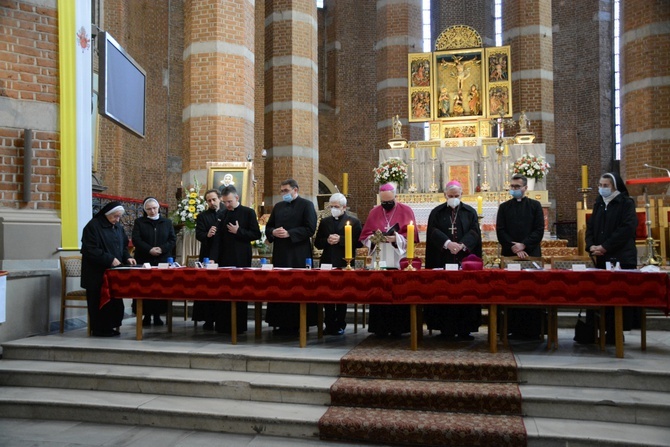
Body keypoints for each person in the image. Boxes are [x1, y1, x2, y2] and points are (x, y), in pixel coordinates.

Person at [423, 181, 482, 340]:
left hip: (464, 259)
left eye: (457, 196)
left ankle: (465, 329)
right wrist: (448, 244)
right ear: (445, 195)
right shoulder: (437, 212)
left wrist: (462, 245)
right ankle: (444, 328)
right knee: (444, 292)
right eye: (451, 196)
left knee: (464, 292)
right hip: (442, 258)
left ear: (462, 195)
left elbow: (475, 232)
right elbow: (433, 231)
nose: (454, 199)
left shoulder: (469, 212)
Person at [585, 172, 639, 343]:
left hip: (621, 257)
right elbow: (591, 227)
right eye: (600, 185)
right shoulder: (599, 203)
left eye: (605, 185)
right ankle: (599, 331)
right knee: (601, 295)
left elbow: (626, 229)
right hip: (602, 258)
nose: (602, 188)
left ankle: (616, 333)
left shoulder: (626, 203)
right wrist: (591, 246)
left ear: (615, 186)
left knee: (617, 296)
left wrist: (605, 247)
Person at [359, 183, 418, 336]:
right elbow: (365, 237)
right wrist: (375, 238)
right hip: (379, 256)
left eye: (389, 201)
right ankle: (380, 328)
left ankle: (399, 327)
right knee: (379, 290)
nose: (386, 205)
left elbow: (411, 237)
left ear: (395, 197)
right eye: (383, 202)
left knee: (399, 290)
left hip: (398, 257)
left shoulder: (406, 210)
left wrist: (395, 238)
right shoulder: (374, 212)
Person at [264, 179, 318, 334]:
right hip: (280, 252)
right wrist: (273, 232)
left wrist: (290, 233)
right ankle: (280, 322)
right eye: (282, 191)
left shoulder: (306, 205)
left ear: (295, 190)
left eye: (286, 190)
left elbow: (310, 228)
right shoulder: (278, 207)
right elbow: (269, 226)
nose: (283, 194)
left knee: (298, 285)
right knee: (280, 285)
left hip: (298, 253)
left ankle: (301, 322)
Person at [496, 174, 545, 339]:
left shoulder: (535, 206)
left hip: (531, 254)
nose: (514, 189)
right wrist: (514, 247)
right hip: (510, 254)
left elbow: (539, 230)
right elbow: (500, 231)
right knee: (511, 290)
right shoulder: (504, 207)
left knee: (531, 290)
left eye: (517, 187)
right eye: (512, 186)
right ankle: (509, 327)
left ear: (525, 188)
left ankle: (533, 330)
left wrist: (524, 245)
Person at [209, 185, 261, 334]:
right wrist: (213, 258)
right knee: (224, 291)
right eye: (224, 202)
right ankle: (222, 325)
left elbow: (256, 234)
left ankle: (239, 326)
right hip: (224, 259)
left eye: (229, 201)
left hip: (241, 258)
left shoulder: (248, 212)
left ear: (237, 198)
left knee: (239, 291)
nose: (227, 205)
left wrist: (239, 231)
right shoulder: (223, 214)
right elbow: (217, 239)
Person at [81, 201, 136, 337]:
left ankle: (112, 326)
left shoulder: (117, 227)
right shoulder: (93, 226)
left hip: (114, 274)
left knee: (114, 303)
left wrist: (127, 257)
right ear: (107, 214)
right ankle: (100, 329)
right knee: (99, 302)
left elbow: (122, 246)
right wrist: (109, 259)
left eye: (119, 217)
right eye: (115, 217)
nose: (117, 220)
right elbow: (90, 249)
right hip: (97, 274)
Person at [314, 193, 362, 335]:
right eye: (331, 206)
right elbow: (317, 242)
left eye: (336, 206)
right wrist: (327, 240)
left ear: (344, 207)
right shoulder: (325, 221)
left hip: (344, 260)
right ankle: (328, 324)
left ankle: (340, 323)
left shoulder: (353, 221)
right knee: (327, 294)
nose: (333, 209)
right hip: (327, 261)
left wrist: (341, 240)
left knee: (342, 294)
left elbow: (358, 242)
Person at [131, 197, 176, 327]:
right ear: (145, 210)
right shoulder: (139, 222)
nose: (152, 211)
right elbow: (136, 240)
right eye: (149, 209)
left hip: (162, 260)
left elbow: (172, 240)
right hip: (145, 259)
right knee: (145, 288)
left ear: (159, 208)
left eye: (154, 208)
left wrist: (161, 249)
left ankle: (158, 315)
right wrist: (149, 249)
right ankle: (146, 315)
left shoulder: (167, 222)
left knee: (160, 288)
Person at [192, 188, 221, 330]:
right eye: (209, 200)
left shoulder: (226, 213)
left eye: (214, 199)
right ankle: (208, 318)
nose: (212, 202)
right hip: (207, 253)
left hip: (223, 255)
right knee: (207, 286)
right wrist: (207, 234)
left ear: (220, 199)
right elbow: (199, 234)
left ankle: (221, 318)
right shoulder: (203, 216)